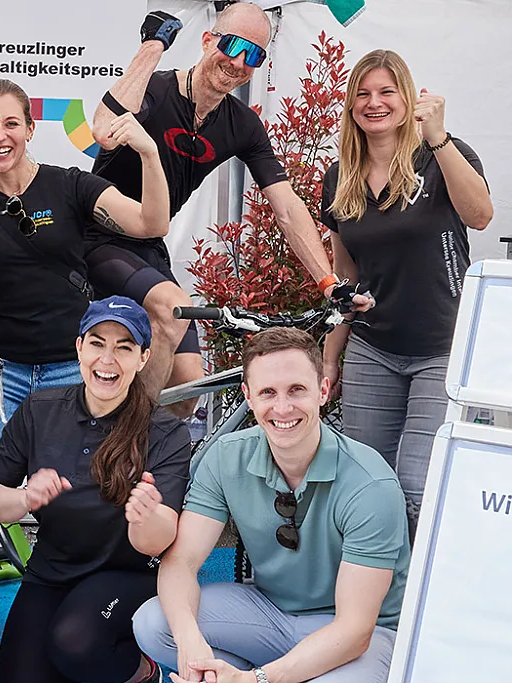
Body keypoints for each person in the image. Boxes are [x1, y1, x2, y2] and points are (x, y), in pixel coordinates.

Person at [0, 78, 171, 680]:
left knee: (106, 491)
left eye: (11, 123)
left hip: (74, 364)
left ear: (30, 128)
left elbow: (148, 222)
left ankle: (111, 613)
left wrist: (147, 151)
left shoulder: (68, 184)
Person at [89, 4, 371, 414]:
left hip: (148, 245)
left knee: (185, 394)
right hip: (97, 236)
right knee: (171, 309)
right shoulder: (153, 90)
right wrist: (153, 44)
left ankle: (151, 455)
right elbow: (103, 130)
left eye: (253, 54)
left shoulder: (241, 124)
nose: (239, 61)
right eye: (232, 45)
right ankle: (125, 450)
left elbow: (287, 206)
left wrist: (328, 281)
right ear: (207, 41)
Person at [133, 327, 410, 683]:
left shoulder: (371, 484)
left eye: (297, 390)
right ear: (248, 397)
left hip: (359, 635)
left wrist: (257, 679)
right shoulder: (226, 457)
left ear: (323, 390)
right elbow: (181, 562)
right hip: (271, 614)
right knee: (155, 624)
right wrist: (190, 644)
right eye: (268, 392)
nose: (282, 408)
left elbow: (355, 630)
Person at [320, 50, 492, 534]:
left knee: (416, 488)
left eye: (386, 91)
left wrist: (436, 138)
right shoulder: (339, 178)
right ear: (351, 104)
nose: (374, 103)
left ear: (408, 96)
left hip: (441, 349)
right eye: (363, 93)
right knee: (364, 485)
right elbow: (346, 275)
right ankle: (369, 599)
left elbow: (480, 216)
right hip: (373, 350)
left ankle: (409, 604)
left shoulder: (442, 156)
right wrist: (332, 357)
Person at [0, 297, 190, 683]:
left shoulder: (165, 431)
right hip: (52, 571)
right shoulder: (39, 410)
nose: (107, 359)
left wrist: (144, 513)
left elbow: (160, 540)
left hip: (128, 572)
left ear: (143, 358)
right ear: (79, 348)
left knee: (75, 644)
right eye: (97, 343)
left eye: (124, 348)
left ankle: (142, 672)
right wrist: (25, 497)